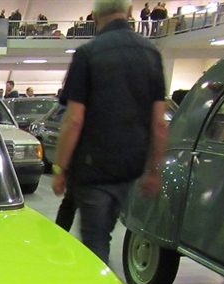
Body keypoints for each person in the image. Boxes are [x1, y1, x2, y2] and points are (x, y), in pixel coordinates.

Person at [52, 0, 167, 265]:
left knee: (96, 241)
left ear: (94, 17)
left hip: (94, 168)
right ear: (129, 13)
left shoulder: (88, 54)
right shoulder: (151, 54)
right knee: (105, 234)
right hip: (130, 169)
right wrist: (154, 171)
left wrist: (60, 169)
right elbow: (159, 124)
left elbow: (74, 120)